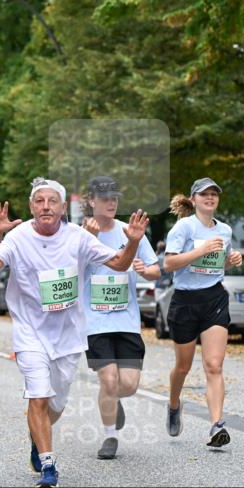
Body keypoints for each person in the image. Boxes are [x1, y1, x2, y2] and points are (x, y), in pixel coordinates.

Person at [0, 177, 149, 488]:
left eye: (52, 201)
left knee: (55, 404)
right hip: (30, 332)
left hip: (68, 335)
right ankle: (48, 465)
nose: (46, 206)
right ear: (32, 206)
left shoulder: (78, 238)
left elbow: (118, 263)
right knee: (38, 396)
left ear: (61, 208)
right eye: (39, 201)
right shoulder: (17, 237)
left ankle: (37, 435)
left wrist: (134, 242)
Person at [79, 176, 161, 460]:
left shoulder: (131, 231)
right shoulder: (81, 234)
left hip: (126, 320)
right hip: (95, 321)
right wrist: (88, 239)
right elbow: (69, 268)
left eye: (114, 198)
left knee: (128, 385)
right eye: (104, 198)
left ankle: (112, 401)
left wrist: (143, 268)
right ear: (91, 201)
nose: (111, 202)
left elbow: (154, 270)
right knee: (109, 381)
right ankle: (109, 437)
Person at [162, 178, 243, 448]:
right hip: (185, 301)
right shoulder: (184, 227)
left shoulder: (226, 230)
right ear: (193, 199)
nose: (209, 198)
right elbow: (169, 263)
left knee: (214, 365)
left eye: (214, 194)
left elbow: (221, 263)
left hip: (214, 299)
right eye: (204, 194)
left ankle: (216, 425)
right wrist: (199, 251)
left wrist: (232, 261)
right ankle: (174, 405)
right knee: (183, 366)